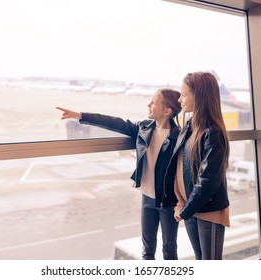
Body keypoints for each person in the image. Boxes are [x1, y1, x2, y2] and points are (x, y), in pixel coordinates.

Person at [56, 88, 182, 260]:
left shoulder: (180, 137)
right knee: (147, 250)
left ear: (167, 111)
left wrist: (182, 202)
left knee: (169, 249)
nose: (148, 104)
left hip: (168, 201)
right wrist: (80, 116)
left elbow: (185, 173)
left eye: (153, 102)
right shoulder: (143, 128)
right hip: (147, 198)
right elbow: (113, 122)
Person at [169, 71, 230, 260]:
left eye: (184, 94)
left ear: (200, 96)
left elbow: (208, 181)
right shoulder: (190, 126)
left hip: (208, 210)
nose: (180, 99)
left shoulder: (213, 132)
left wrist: (186, 210)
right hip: (191, 208)